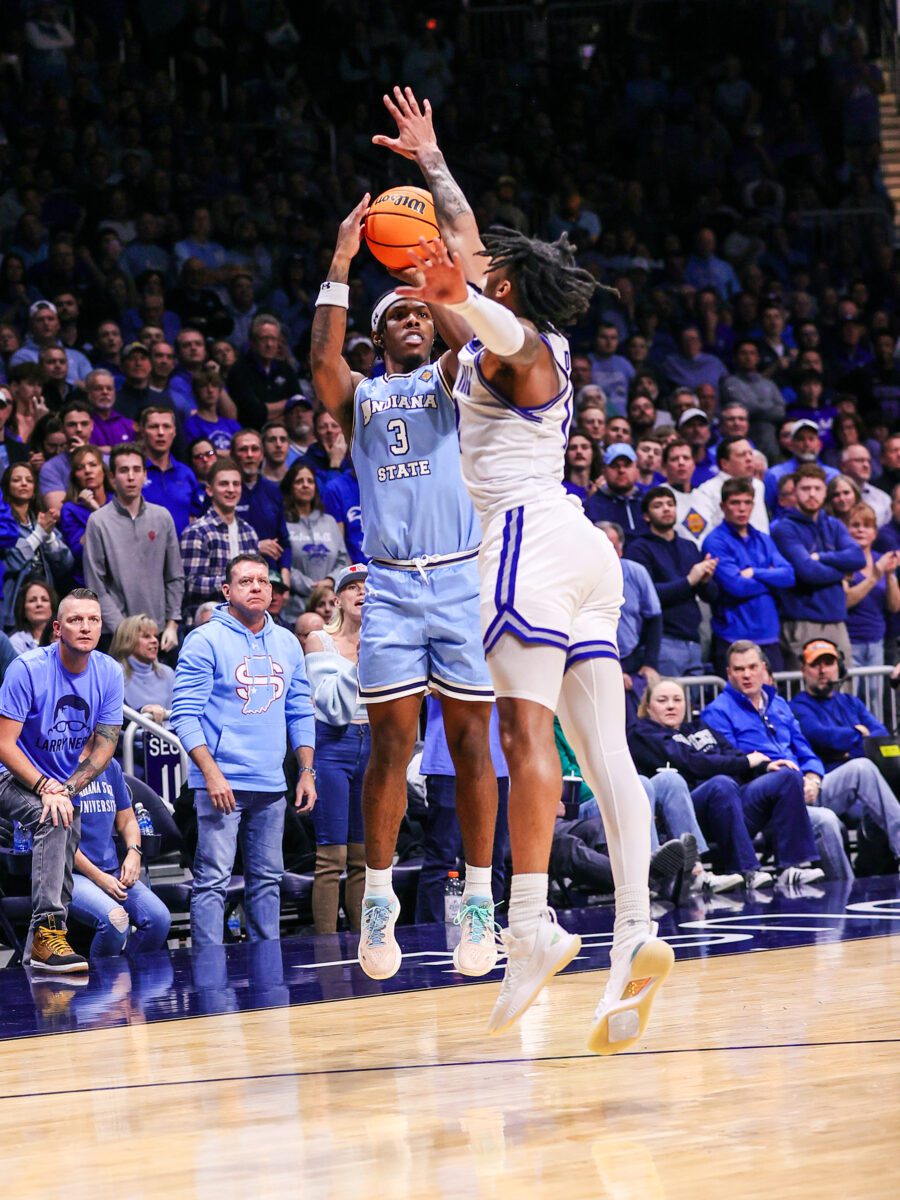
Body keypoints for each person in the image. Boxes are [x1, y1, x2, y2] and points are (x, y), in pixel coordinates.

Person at [379, 85, 670, 1053]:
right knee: (607, 754)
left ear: (499, 284)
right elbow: (461, 237)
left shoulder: (523, 344)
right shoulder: (495, 323)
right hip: (588, 552)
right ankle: (636, 932)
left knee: (523, 734)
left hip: (526, 544)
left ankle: (532, 922)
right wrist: (431, 157)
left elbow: (497, 326)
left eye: (480, 268)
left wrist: (459, 297)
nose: (466, 260)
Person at [311, 191, 497, 984]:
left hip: (460, 581)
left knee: (467, 747)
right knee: (390, 744)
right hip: (388, 587)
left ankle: (480, 898)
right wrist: (343, 263)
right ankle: (379, 899)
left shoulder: (452, 383)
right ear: (379, 334)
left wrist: (436, 277)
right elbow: (322, 364)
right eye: (398, 317)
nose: (413, 322)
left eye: (419, 315)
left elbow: (473, 337)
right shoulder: (362, 397)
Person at [170, 552, 317, 945]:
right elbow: (184, 715)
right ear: (227, 590)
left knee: (269, 881)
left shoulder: (286, 642)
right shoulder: (204, 640)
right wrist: (211, 774)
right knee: (213, 881)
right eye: (246, 581)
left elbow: (300, 709)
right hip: (221, 784)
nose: (256, 587)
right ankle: (209, 975)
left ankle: (268, 976)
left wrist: (306, 770)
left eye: (263, 581)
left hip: (271, 783)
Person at [0, 588, 124, 972]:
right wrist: (46, 788)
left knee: (63, 819)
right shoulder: (28, 668)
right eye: (75, 620)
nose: (85, 627)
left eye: (93, 620)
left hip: (60, 784)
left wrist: (65, 789)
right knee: (54, 817)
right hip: (10, 774)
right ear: (57, 628)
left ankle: (36, 956)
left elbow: (105, 746)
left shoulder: (108, 671)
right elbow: (4, 745)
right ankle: (48, 930)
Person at [631, 678, 820, 888]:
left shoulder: (698, 727)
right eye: (662, 700)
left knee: (787, 775)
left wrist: (763, 767)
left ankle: (791, 867)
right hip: (690, 815)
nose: (671, 705)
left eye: (677, 699)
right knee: (720, 783)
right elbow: (693, 763)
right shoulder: (644, 733)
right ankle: (747, 871)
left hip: (729, 806)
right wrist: (746, 762)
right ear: (648, 707)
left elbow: (732, 753)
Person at [701, 640, 852, 881]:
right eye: (739, 670)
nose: (747, 674)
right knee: (826, 820)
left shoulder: (778, 704)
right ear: (729, 674)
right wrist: (769, 771)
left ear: (763, 668)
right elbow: (731, 761)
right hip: (758, 797)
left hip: (803, 786)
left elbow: (804, 749)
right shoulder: (717, 711)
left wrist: (813, 778)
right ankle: (841, 891)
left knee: (862, 768)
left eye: (752, 667)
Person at [302, 564, 369, 933]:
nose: (361, 593)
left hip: (373, 743)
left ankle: (365, 944)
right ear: (339, 598)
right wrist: (360, 659)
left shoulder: (384, 640)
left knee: (363, 856)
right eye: (352, 587)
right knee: (332, 857)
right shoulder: (319, 640)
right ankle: (326, 947)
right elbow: (332, 706)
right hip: (333, 744)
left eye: (366, 587)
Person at [790, 639, 900, 862]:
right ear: (803, 670)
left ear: (838, 667)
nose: (822, 671)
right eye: (815, 665)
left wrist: (849, 749)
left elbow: (879, 736)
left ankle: (872, 872)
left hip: (867, 788)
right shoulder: (798, 706)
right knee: (863, 769)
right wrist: (859, 736)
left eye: (828, 663)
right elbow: (820, 736)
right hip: (828, 785)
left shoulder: (852, 702)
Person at [416, 696, 511, 923]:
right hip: (447, 759)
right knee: (441, 857)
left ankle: (487, 929)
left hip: (496, 761)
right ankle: (429, 940)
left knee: (493, 858)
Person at [83, 443, 184, 650]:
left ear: (145, 475)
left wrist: (173, 623)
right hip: (116, 636)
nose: (131, 476)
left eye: (136, 470)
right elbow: (96, 587)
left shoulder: (162, 516)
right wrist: (126, 633)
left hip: (159, 633)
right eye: (123, 470)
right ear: (112, 477)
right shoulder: (98, 521)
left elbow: (174, 576)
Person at [68, 758, 172, 957]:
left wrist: (134, 852)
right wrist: (98, 877)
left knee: (159, 919)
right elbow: (62, 842)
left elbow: (127, 820)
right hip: (70, 872)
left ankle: (126, 981)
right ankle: (104, 986)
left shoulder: (110, 764)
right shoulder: (60, 762)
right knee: (116, 922)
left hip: (111, 869)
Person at [771, 464, 865, 670]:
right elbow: (808, 571)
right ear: (795, 492)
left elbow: (858, 558)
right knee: (806, 689)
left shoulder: (834, 524)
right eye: (805, 489)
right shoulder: (784, 528)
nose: (812, 494)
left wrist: (821, 557)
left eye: (817, 488)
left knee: (842, 685)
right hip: (802, 622)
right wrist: (842, 571)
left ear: (825, 492)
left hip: (837, 621)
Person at [702, 478, 795, 674]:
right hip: (733, 636)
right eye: (735, 503)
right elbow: (736, 586)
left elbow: (789, 575)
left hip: (769, 635)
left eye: (747, 502)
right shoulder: (715, 542)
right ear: (723, 506)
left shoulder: (763, 539)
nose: (742, 509)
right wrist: (771, 578)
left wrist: (754, 572)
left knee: (770, 700)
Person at [625, 485, 718, 676]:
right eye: (658, 505)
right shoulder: (639, 549)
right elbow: (648, 596)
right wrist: (690, 580)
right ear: (646, 516)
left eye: (670, 504)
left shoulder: (689, 546)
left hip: (694, 638)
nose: (666, 509)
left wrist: (705, 581)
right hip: (663, 641)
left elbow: (710, 596)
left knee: (694, 702)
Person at [180, 456, 259, 623]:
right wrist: (233, 582)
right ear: (209, 490)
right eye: (224, 484)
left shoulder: (249, 532)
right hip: (207, 622)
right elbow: (191, 584)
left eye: (236, 484)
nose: (231, 489)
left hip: (245, 621)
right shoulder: (197, 531)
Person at [0, 461, 72, 629]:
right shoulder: (5, 526)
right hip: (12, 607)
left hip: (46, 604)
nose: (24, 483)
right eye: (17, 480)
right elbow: (11, 562)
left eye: (29, 480)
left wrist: (48, 537)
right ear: (6, 487)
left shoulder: (40, 520)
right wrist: (39, 533)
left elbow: (65, 564)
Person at [843, 502, 900, 701]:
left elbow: (894, 606)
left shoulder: (880, 559)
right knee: (851, 701)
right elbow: (846, 601)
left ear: (875, 533)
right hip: (850, 643)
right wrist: (875, 576)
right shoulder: (843, 562)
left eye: (866, 525)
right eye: (855, 525)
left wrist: (891, 574)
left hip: (877, 642)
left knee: (875, 702)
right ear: (846, 529)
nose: (860, 530)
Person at [281, 461, 347, 626]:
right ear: (290, 487)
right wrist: (311, 586)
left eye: (310, 481)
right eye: (299, 481)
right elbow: (284, 563)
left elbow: (342, 559)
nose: (305, 485)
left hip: (330, 609)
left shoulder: (329, 521)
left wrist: (331, 581)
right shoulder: (282, 522)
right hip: (295, 611)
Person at [109, 614, 175, 725]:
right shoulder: (113, 673)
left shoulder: (168, 673)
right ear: (127, 640)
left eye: (156, 636)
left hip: (167, 740)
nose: (154, 641)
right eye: (146, 636)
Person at [58, 445, 110, 586]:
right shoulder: (70, 509)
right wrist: (96, 513)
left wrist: (96, 509)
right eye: (80, 468)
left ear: (103, 470)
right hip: (87, 582)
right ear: (75, 476)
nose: (88, 471)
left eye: (93, 465)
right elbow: (79, 552)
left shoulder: (117, 501)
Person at [696, 435, 770, 533]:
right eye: (742, 455)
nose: (749, 459)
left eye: (750, 453)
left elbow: (763, 527)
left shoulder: (758, 485)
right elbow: (705, 533)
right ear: (724, 464)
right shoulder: (707, 490)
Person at [583, 443, 645, 540]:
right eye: (614, 465)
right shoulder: (590, 506)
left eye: (627, 465)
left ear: (637, 469)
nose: (621, 470)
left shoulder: (648, 502)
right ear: (604, 470)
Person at [8, 579, 57, 654]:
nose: (39, 604)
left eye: (44, 600)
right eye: (32, 600)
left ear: (52, 607)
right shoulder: (15, 642)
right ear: (23, 609)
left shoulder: (64, 636)